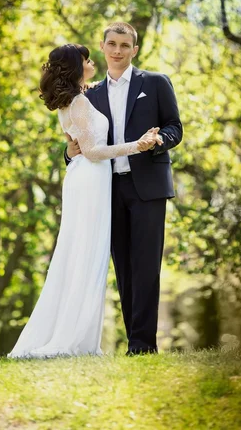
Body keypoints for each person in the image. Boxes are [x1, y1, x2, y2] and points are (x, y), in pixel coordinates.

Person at [7, 43, 161, 359]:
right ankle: (72, 338)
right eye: (86, 60)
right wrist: (138, 146)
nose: (92, 63)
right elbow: (90, 151)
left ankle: (81, 337)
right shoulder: (77, 102)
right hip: (90, 179)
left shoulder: (74, 99)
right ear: (77, 68)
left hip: (86, 180)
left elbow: (73, 143)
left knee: (81, 253)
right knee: (85, 253)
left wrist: (71, 149)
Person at [65, 22, 182, 355]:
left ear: (135, 50)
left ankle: (142, 346)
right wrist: (67, 151)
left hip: (149, 187)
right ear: (102, 47)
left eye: (124, 45)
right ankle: (135, 341)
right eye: (112, 44)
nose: (117, 51)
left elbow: (175, 126)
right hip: (106, 191)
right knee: (124, 269)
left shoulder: (156, 83)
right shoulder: (89, 94)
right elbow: (79, 138)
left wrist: (160, 140)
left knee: (147, 267)